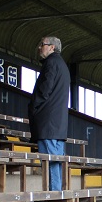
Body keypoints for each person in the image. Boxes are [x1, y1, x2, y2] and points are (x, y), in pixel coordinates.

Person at [29, 36, 70, 191]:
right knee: (55, 161)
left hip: (47, 121)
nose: (40, 47)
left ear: (52, 47)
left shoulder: (51, 63)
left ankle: (53, 195)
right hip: (57, 123)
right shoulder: (62, 64)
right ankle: (56, 192)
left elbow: (44, 90)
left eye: (43, 44)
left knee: (50, 161)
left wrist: (33, 107)